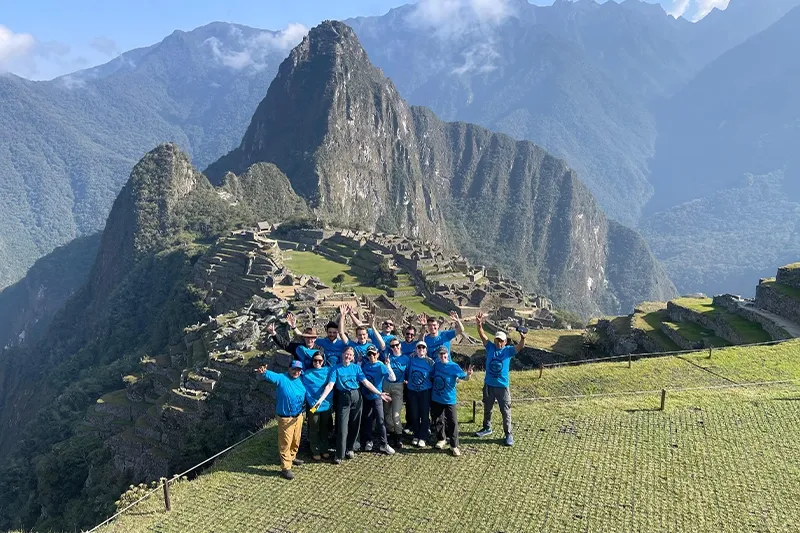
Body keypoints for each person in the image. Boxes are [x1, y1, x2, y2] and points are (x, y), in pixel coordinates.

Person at [311, 346, 391, 464]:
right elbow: (330, 386)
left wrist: (379, 394)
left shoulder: (356, 368)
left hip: (356, 397)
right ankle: (339, 454)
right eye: (346, 354)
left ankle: (350, 448)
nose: (348, 356)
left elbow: (366, 382)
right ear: (342, 355)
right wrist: (320, 400)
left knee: (355, 424)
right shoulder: (335, 369)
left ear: (353, 358)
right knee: (342, 427)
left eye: (350, 355)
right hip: (343, 398)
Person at [474, 312, 525, 446]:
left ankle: (508, 434)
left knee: (505, 411)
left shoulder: (508, 351)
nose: (499, 342)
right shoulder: (490, 347)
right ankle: (487, 428)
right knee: (487, 408)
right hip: (489, 385)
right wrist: (479, 324)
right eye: (497, 340)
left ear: (505, 341)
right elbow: (483, 336)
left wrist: (522, 338)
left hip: (502, 387)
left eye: (501, 340)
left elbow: (520, 347)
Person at [255, 360, 307, 480]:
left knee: (296, 439)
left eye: (298, 370)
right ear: (289, 369)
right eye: (294, 369)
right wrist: (264, 372)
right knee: (285, 442)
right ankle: (285, 467)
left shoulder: (301, 379)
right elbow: (270, 375)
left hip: (298, 415)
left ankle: (292, 457)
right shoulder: (282, 378)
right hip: (286, 417)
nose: (296, 372)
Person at [430, 346, 473, 456]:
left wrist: (468, 375)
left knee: (452, 422)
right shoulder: (436, 365)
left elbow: (464, 378)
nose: (443, 356)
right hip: (437, 398)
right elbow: (431, 375)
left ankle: (454, 445)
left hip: (449, 399)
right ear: (438, 355)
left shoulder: (454, 366)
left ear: (447, 354)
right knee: (438, 420)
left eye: (444, 354)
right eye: (440, 354)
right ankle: (441, 439)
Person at [359, 344, 396, 455]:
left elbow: (392, 378)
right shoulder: (365, 366)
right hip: (366, 397)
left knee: (380, 420)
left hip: (377, 397)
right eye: (369, 354)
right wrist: (360, 362)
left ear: (377, 354)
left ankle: (384, 444)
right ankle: (368, 441)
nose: (371, 356)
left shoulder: (380, 366)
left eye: (373, 354)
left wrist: (388, 365)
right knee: (367, 419)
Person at [300, 350, 333, 461]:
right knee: (314, 426)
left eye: (319, 360)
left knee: (324, 427)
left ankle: (324, 449)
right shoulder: (306, 373)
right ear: (312, 361)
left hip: (326, 404)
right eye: (315, 360)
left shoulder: (328, 371)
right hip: (313, 405)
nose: (317, 362)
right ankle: (315, 449)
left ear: (323, 361)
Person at [405, 340, 435, 447]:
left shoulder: (430, 362)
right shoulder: (411, 360)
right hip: (412, 391)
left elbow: (433, 375)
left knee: (424, 414)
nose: (421, 350)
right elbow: (407, 372)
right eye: (419, 348)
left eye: (423, 348)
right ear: (416, 350)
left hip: (425, 391)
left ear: (426, 350)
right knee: (415, 413)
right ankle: (416, 435)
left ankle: (423, 436)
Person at [382, 338, 409, 448]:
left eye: (396, 345)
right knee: (387, 414)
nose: (395, 347)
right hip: (386, 386)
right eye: (392, 346)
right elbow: (381, 344)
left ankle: (399, 435)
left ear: (400, 345)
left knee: (396, 414)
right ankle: (392, 434)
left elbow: (408, 372)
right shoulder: (388, 356)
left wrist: (406, 380)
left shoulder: (406, 359)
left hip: (398, 387)